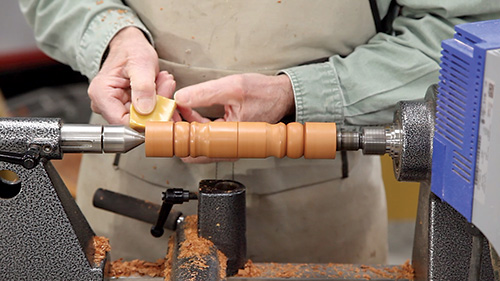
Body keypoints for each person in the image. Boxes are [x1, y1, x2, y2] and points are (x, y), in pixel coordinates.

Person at [19, 0, 500, 264]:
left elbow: (460, 25)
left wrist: (303, 93)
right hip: (128, 188)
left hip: (324, 206)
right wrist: (112, 37)